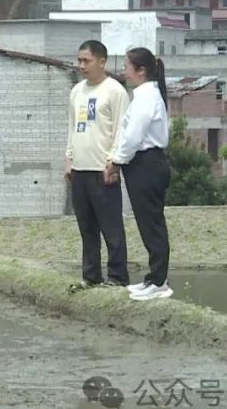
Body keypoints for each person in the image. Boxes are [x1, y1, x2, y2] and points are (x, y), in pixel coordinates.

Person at [106, 47, 173, 301]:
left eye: (127, 67)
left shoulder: (147, 97)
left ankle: (159, 281)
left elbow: (133, 136)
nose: (124, 72)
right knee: (147, 223)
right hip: (142, 165)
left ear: (141, 70)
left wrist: (116, 161)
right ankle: (154, 278)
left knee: (152, 224)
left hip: (147, 164)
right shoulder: (144, 95)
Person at [65, 40, 131, 288]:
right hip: (80, 169)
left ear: (102, 62)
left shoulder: (115, 91)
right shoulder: (77, 91)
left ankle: (117, 277)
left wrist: (114, 163)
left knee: (111, 228)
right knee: (86, 227)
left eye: (87, 61)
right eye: (79, 60)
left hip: (103, 169)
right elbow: (72, 127)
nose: (82, 65)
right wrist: (69, 158)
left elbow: (121, 131)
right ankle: (91, 276)